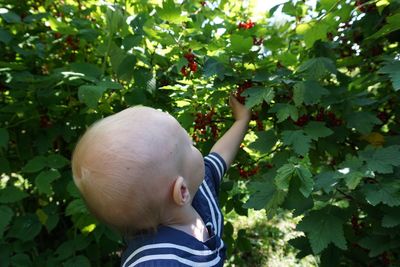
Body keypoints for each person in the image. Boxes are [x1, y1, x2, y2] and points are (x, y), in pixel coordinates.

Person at [71, 95, 251, 266]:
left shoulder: (197, 191)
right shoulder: (154, 260)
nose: (194, 145)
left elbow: (219, 157)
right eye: (190, 144)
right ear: (181, 191)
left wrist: (241, 121)